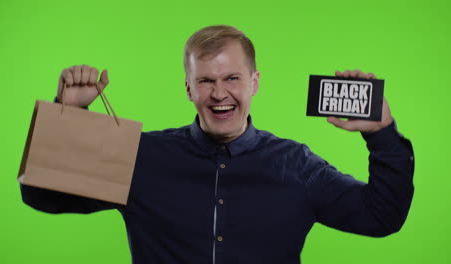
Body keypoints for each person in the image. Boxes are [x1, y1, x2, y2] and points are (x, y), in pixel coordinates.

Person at [21, 25, 415, 264]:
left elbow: (381, 217)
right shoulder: (140, 157)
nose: (219, 93)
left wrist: (381, 133)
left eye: (232, 79)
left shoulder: (297, 166)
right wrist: (66, 117)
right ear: (188, 88)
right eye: (206, 81)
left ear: (254, 83)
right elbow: (42, 197)